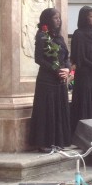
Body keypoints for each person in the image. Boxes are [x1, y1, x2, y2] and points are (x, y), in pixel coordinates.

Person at [29, 8, 71, 152]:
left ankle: (57, 141)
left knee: (58, 110)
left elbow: (66, 57)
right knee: (46, 111)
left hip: (60, 80)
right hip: (46, 80)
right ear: (47, 20)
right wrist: (56, 70)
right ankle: (43, 143)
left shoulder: (59, 38)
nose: (58, 20)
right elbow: (38, 59)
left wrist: (67, 69)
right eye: (55, 18)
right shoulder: (42, 36)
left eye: (59, 18)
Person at [70, 6, 92, 133]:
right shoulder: (78, 34)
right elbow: (80, 56)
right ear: (84, 18)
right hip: (84, 74)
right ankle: (83, 131)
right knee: (85, 100)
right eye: (91, 16)